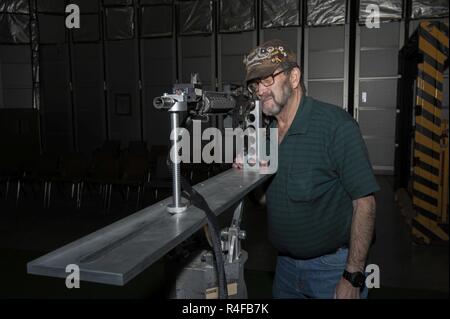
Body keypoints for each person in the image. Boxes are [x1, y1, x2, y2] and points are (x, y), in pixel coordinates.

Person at [233, 39, 380, 299]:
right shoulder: (264, 136)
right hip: (285, 269)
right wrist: (250, 179)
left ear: (293, 77)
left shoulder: (335, 126)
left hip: (333, 269)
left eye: (268, 79)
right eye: (255, 84)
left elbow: (364, 203)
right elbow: (268, 200)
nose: (261, 91)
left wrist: (353, 275)